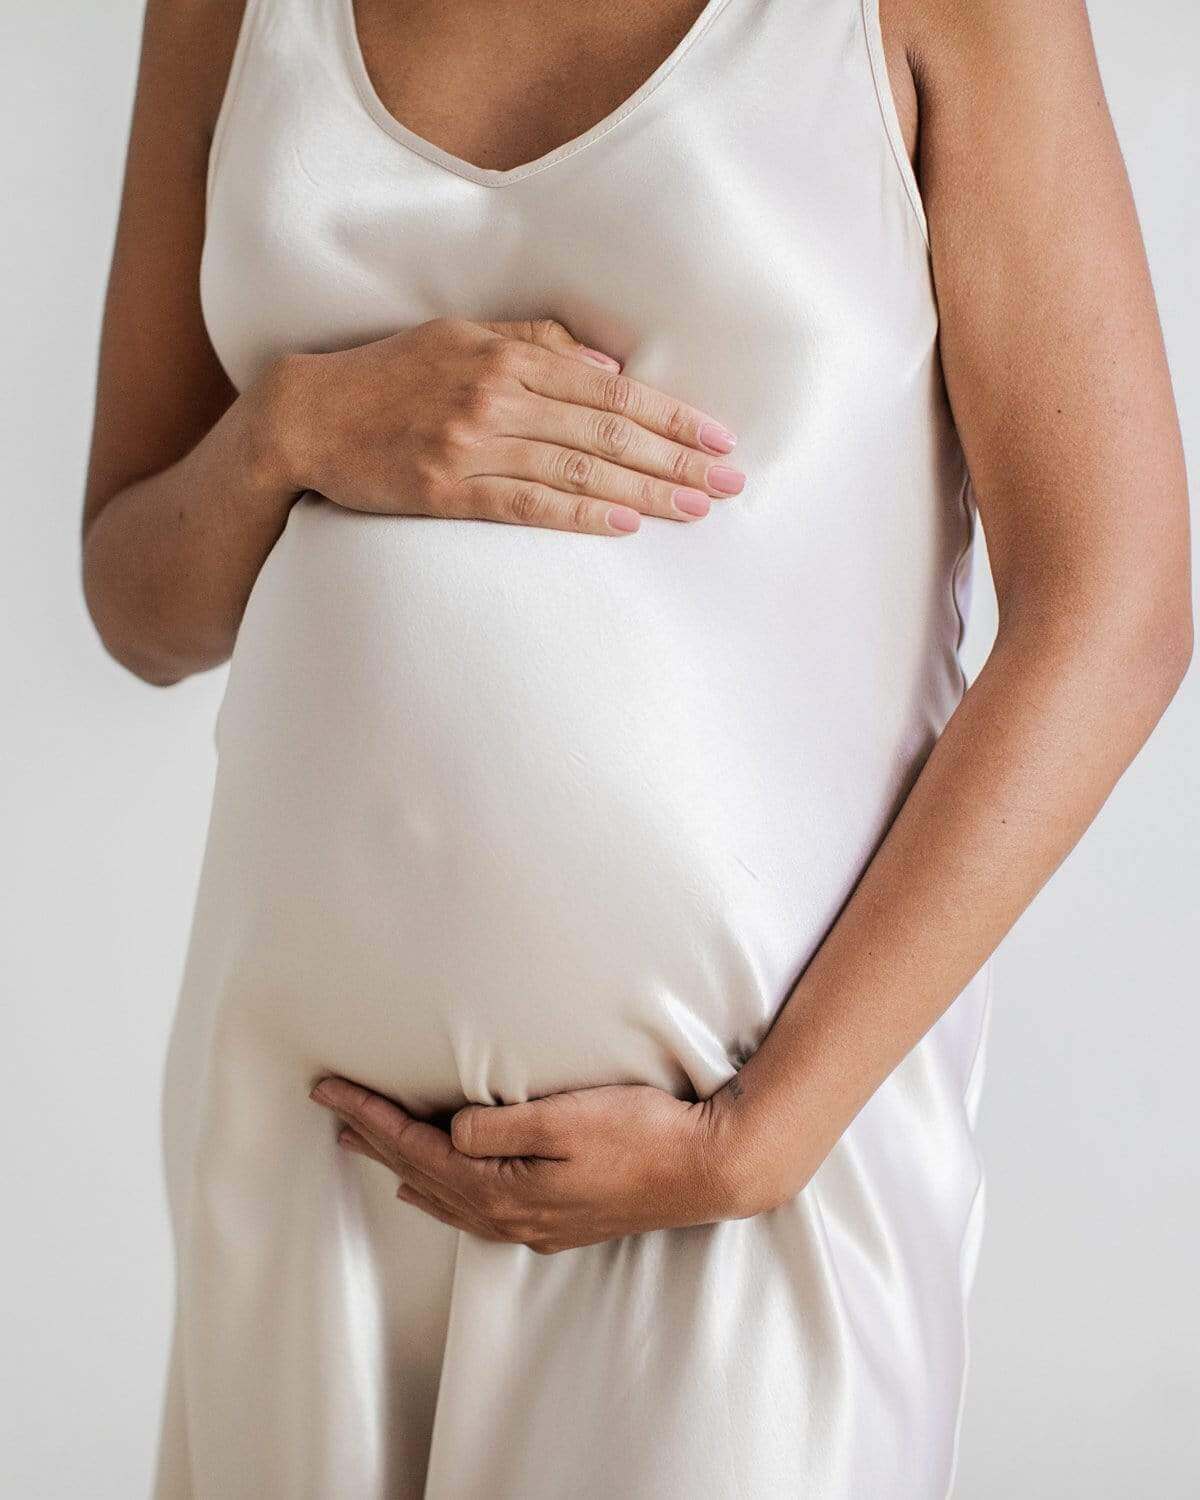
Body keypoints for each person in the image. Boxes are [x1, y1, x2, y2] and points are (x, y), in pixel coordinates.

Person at [81, 1, 1191, 1495]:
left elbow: (1114, 607)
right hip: (307, 1151)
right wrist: (289, 428)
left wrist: (755, 1138)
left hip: (721, 1166)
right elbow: (136, 601)